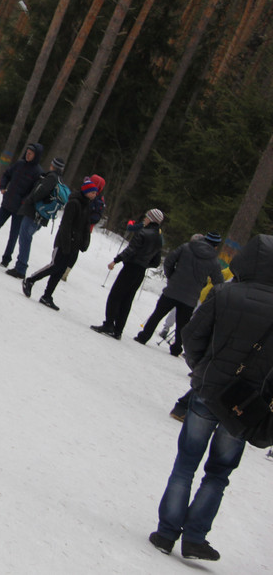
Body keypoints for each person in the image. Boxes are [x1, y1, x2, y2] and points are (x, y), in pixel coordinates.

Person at [149, 234, 273, 561]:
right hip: (244, 404)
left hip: (208, 391)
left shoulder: (224, 293)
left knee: (186, 463)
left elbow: (192, 336)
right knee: (219, 473)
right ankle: (194, 538)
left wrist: (201, 368)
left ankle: (166, 532)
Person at [21, 176, 99, 309]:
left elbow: (86, 226)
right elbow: (66, 225)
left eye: (95, 193)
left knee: (60, 270)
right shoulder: (74, 203)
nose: (94, 195)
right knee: (55, 266)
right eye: (92, 192)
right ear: (86, 191)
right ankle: (30, 280)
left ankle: (47, 295)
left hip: (75, 244)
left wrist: (85, 242)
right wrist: (67, 243)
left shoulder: (87, 205)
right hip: (64, 242)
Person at [91, 208, 164, 339]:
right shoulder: (159, 238)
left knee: (115, 296)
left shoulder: (143, 232)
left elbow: (131, 250)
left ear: (152, 219)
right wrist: (144, 263)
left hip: (130, 267)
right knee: (127, 300)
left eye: (147, 217)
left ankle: (109, 324)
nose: (144, 219)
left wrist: (116, 260)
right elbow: (156, 262)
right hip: (140, 271)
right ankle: (118, 330)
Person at [6, 157, 65, 279]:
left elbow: (40, 192)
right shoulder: (60, 180)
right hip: (42, 215)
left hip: (35, 213)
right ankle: (20, 266)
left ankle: (21, 268)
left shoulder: (51, 177)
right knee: (26, 238)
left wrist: (29, 200)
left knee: (25, 238)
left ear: (53, 165)